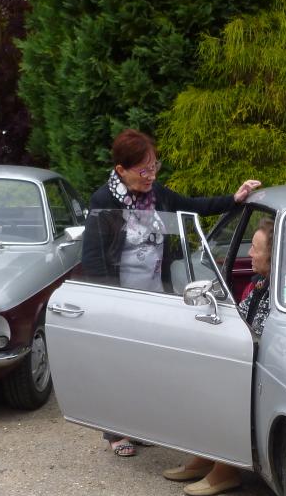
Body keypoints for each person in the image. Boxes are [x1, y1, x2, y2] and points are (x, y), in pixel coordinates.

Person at [83, 128, 260, 456]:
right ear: (121, 170)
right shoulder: (103, 201)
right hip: (121, 298)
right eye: (144, 170)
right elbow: (93, 258)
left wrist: (235, 199)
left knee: (149, 361)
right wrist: (105, 300)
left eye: (155, 167)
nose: (151, 176)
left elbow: (193, 207)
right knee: (119, 363)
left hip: (155, 293)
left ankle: (140, 424)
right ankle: (115, 432)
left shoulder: (157, 195)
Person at [162, 218, 275, 496]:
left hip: (267, 367)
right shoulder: (262, 281)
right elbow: (242, 318)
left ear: (273, 254)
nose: (249, 253)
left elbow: (267, 336)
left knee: (221, 384)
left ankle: (226, 468)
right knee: (196, 372)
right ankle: (207, 455)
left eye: (256, 249)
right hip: (250, 355)